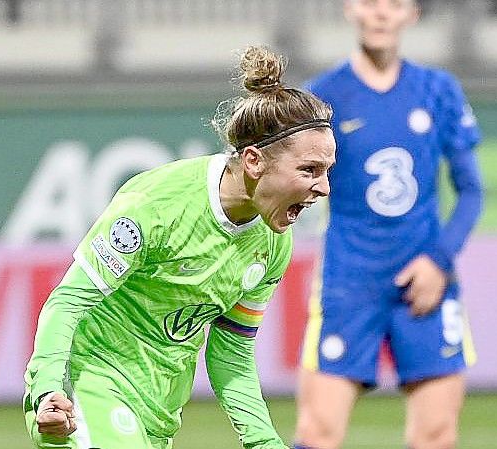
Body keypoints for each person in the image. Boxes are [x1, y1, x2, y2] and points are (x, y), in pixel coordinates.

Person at [23, 45, 335, 449]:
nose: (324, 187)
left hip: (158, 415)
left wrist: (263, 441)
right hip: (83, 393)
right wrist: (47, 390)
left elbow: (232, 351)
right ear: (255, 161)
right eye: (309, 170)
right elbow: (68, 301)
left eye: (328, 171)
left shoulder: (272, 243)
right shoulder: (156, 206)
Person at [293, 1, 483, 448]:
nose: (380, 13)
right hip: (349, 281)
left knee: (435, 435)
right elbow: (298, 186)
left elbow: (471, 191)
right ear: (349, 9)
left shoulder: (438, 90)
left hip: (426, 283)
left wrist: (438, 262)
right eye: (369, 1)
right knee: (317, 432)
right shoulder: (323, 97)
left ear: (411, 14)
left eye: (394, 3)